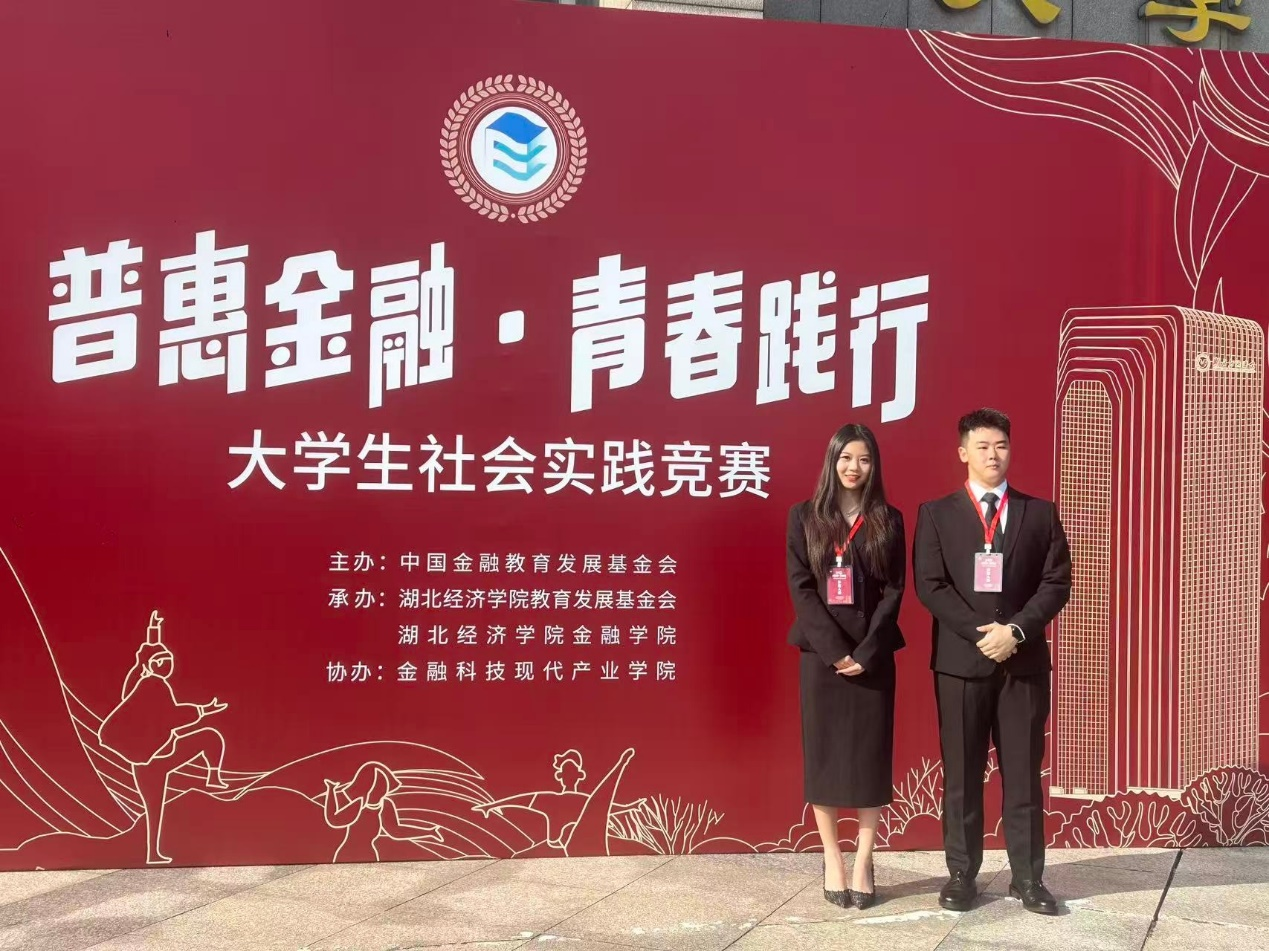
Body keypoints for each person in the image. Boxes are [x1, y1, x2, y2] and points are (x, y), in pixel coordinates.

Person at [913, 408, 1071, 916]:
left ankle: (1028, 878)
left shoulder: (1039, 513)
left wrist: (1016, 631)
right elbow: (930, 585)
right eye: (982, 446)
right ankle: (962, 874)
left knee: (1023, 775)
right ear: (963, 452)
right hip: (962, 664)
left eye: (1001, 445)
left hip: (1023, 665)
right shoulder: (936, 514)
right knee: (962, 775)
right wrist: (983, 634)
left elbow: (1056, 582)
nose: (992, 454)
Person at [786, 423, 906, 910]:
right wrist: (836, 651)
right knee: (825, 757)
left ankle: (864, 860)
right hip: (822, 658)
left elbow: (895, 591)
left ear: (874, 466)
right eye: (846, 458)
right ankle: (832, 856)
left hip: (873, 659)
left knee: (870, 760)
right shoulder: (804, 517)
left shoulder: (889, 519)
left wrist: (867, 652)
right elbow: (801, 588)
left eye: (864, 459)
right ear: (831, 461)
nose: (854, 468)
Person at [98, 635, 229, 866]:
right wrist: (203, 710)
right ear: (152, 665)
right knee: (208, 738)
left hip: (161, 756)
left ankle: (213, 779)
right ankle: (153, 853)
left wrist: (153, 632)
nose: (167, 665)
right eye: (161, 661)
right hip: (152, 762)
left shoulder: (142, 684)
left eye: (168, 660)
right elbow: (171, 716)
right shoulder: (153, 685)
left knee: (209, 739)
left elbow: (145, 689)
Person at [322, 761, 444, 862]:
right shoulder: (359, 804)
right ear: (368, 787)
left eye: (384, 785)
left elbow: (396, 831)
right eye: (378, 786)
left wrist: (429, 831)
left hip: (370, 854)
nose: (382, 790)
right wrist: (331, 790)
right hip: (348, 853)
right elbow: (335, 820)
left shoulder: (385, 804)